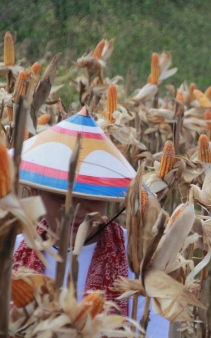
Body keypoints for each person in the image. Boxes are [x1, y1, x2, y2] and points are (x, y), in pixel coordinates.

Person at [11, 107, 169, 337]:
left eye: (90, 198)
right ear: (36, 192)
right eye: (60, 197)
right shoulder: (12, 253)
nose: (75, 209)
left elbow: (157, 328)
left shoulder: (137, 257)